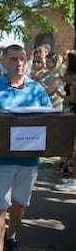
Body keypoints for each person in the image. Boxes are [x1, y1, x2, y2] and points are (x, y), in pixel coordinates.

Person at [0, 44, 52, 251]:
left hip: (30, 160)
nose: (19, 63)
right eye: (13, 59)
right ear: (3, 63)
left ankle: (11, 237)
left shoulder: (37, 90)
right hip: (0, 159)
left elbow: (52, 121)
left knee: (21, 203)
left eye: (22, 59)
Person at [54, 50, 76, 191]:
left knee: (73, 146)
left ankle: (73, 178)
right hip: (71, 112)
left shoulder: (73, 79)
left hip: (73, 112)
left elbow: (73, 99)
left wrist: (59, 95)